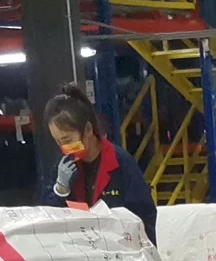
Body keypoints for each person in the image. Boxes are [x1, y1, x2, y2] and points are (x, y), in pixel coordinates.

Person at [40, 83, 157, 242]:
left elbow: (145, 217)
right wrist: (60, 190)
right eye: (59, 142)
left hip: (120, 249)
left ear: (88, 130)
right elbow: (49, 218)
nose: (64, 148)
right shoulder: (65, 167)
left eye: (67, 140)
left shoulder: (122, 164)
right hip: (82, 250)